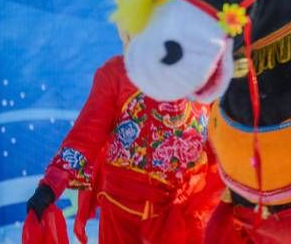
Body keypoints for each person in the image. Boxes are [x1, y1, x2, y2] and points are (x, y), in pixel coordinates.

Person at [23, 22, 222, 243]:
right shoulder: (117, 75)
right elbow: (85, 137)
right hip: (125, 219)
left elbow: (220, 142)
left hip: (188, 217)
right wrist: (50, 187)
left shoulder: (205, 74)